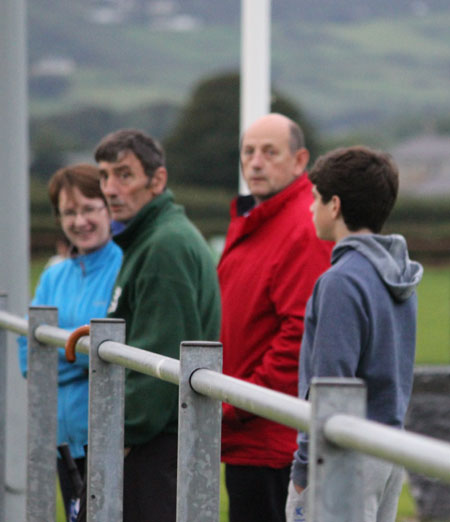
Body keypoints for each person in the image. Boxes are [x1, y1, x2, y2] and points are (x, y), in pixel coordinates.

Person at [86, 128, 221, 522]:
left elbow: (156, 361)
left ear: (157, 180)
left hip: (155, 448)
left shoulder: (165, 246)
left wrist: (119, 437)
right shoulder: (150, 238)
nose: (110, 188)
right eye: (104, 175)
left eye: (124, 175)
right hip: (157, 444)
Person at [286, 146, 423, 522]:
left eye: (315, 198)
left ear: (335, 206)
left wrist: (303, 471)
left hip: (345, 457)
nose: (310, 208)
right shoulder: (400, 274)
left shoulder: (340, 282)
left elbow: (330, 387)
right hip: (389, 451)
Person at [218, 113, 332, 522]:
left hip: (271, 435)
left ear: (300, 160)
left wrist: (242, 402)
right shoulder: (259, 218)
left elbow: (300, 334)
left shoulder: (303, 224)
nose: (256, 162)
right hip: (249, 427)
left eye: (270, 152)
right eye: (248, 152)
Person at [18, 164, 123, 521]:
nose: (80, 221)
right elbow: (29, 357)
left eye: (89, 208)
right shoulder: (53, 275)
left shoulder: (125, 266)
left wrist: (65, 355)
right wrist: (81, 355)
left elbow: (118, 355)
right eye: (69, 212)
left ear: (109, 208)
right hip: (63, 441)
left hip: (112, 442)